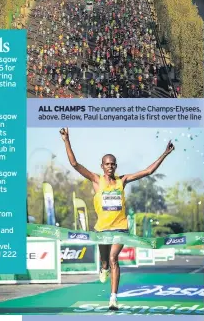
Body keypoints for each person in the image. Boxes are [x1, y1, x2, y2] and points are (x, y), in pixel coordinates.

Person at [60, 127, 175, 310]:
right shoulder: (97, 180)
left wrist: (165, 153)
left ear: (116, 165)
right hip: (102, 230)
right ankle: (103, 267)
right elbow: (75, 164)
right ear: (102, 166)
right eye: (107, 164)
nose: (110, 166)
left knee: (114, 258)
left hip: (120, 228)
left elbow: (148, 171)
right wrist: (66, 140)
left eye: (113, 164)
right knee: (105, 261)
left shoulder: (123, 180)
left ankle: (113, 298)